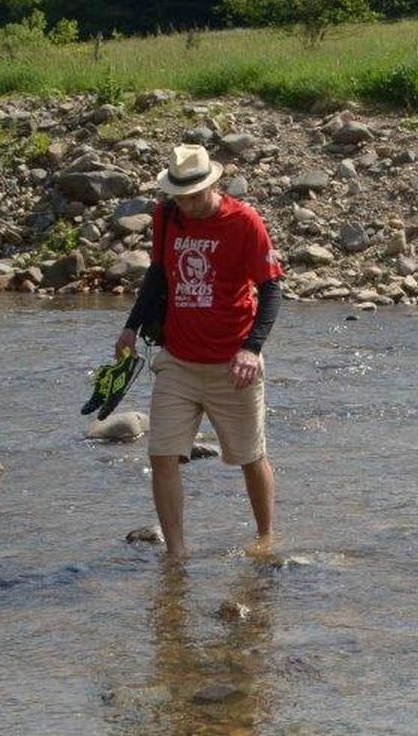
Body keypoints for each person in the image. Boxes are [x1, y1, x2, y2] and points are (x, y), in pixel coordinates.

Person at [116, 144, 284, 562]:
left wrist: (252, 348)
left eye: (194, 195)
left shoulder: (245, 222)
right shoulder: (168, 216)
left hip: (234, 364)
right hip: (178, 361)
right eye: (179, 196)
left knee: (250, 456)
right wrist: (130, 327)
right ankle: (176, 553)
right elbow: (157, 274)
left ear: (214, 184)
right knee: (161, 455)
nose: (187, 204)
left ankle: (265, 537)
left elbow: (272, 289)